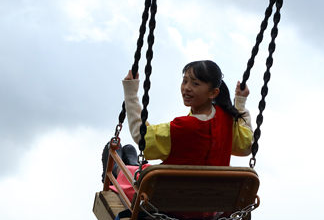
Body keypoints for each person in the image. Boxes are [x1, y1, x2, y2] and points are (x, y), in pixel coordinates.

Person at [104, 60, 253, 200]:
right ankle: (132, 164)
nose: (187, 87)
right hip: (211, 206)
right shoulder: (226, 119)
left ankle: (119, 170)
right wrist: (240, 103)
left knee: (140, 177)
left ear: (213, 93)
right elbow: (246, 146)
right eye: (185, 81)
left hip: (171, 202)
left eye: (195, 83)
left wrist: (131, 93)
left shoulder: (182, 127)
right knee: (148, 170)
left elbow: (140, 135)